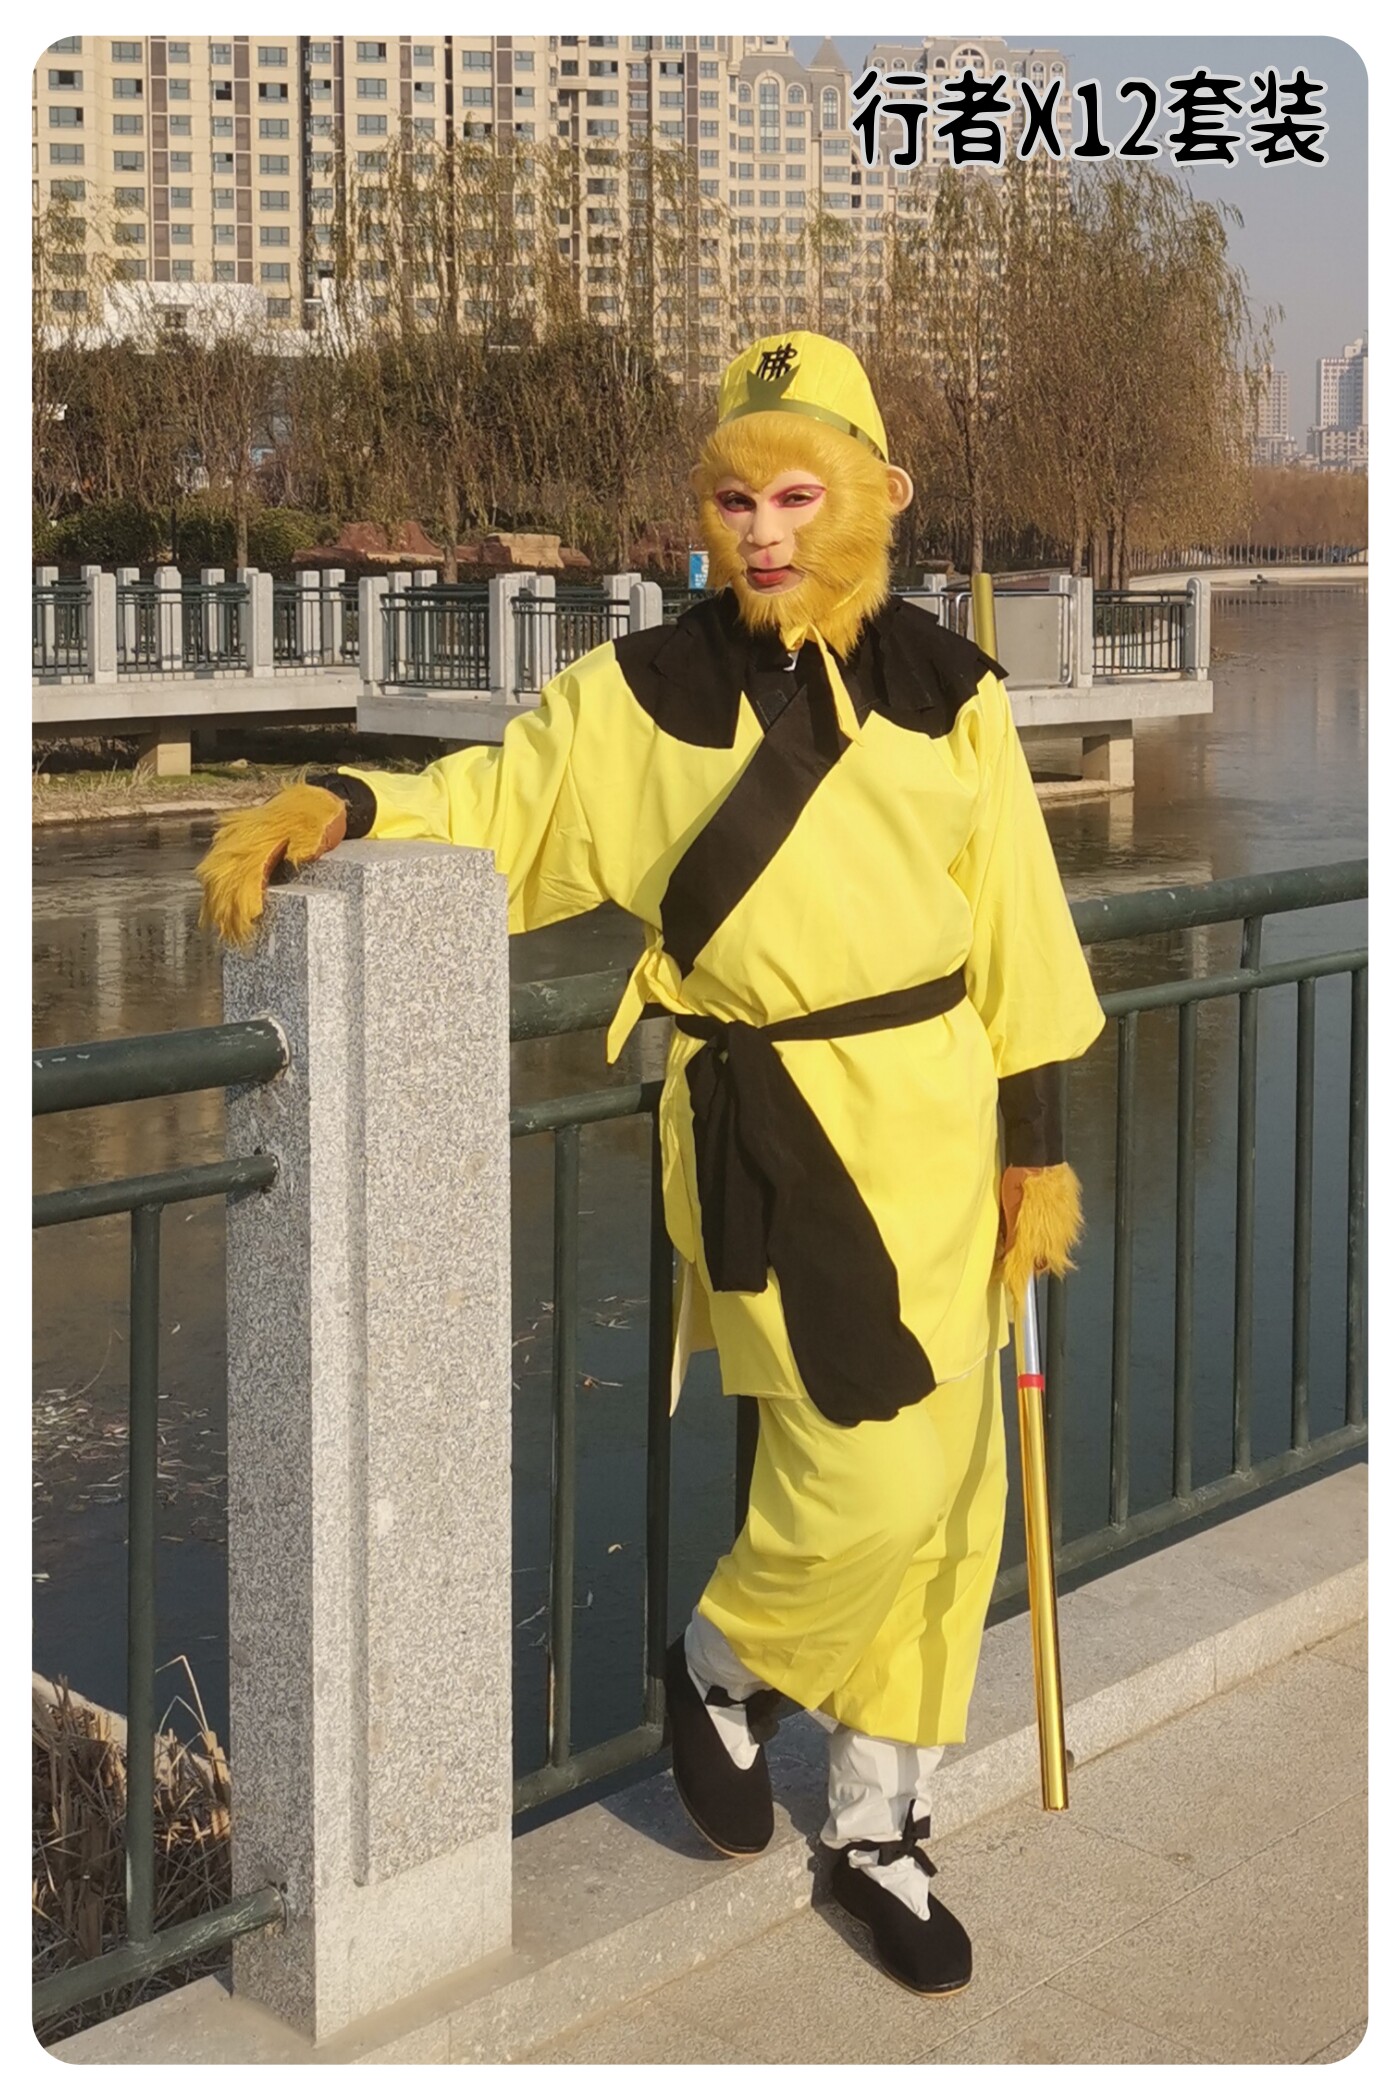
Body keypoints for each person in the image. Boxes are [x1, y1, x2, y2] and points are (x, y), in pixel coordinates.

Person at [198, 331, 1103, 1998]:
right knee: (869, 1471)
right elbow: (507, 805)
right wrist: (349, 804)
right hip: (774, 1125)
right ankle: (728, 1663)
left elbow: (1020, 936)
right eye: (736, 499)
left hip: (944, 1115)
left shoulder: (955, 691)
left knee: (951, 1504)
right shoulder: (643, 692)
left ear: (878, 496)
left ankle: (882, 1827)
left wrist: (1032, 1150)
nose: (763, 530)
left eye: (798, 496)